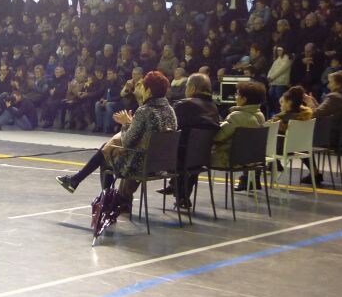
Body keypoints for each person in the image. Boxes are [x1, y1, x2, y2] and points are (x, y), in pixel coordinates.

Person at [55, 71, 177, 207]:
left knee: (106, 156)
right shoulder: (170, 110)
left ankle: (107, 199)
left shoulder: (145, 111)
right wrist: (132, 123)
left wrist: (126, 123)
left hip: (140, 164)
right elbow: (150, 134)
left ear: (148, 90)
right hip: (160, 164)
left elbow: (128, 142)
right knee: (107, 148)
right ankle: (78, 181)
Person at [158, 73, 221, 209]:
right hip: (202, 157)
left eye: (186, 87)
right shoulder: (213, 107)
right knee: (191, 150)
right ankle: (180, 191)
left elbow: (168, 124)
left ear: (192, 88)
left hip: (180, 157)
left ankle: (176, 187)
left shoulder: (184, 105)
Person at [302, 70, 342, 184]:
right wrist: (314, 102)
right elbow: (324, 111)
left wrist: (309, 102)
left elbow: (315, 114)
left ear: (338, 84)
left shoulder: (335, 97)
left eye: (331, 82)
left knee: (299, 141)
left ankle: (315, 173)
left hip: (333, 137)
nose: (328, 85)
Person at [210, 81, 266, 191]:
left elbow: (218, 137)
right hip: (250, 159)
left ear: (244, 99)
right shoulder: (260, 115)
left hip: (228, 159)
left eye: (237, 94)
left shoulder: (237, 116)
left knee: (193, 158)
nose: (236, 97)